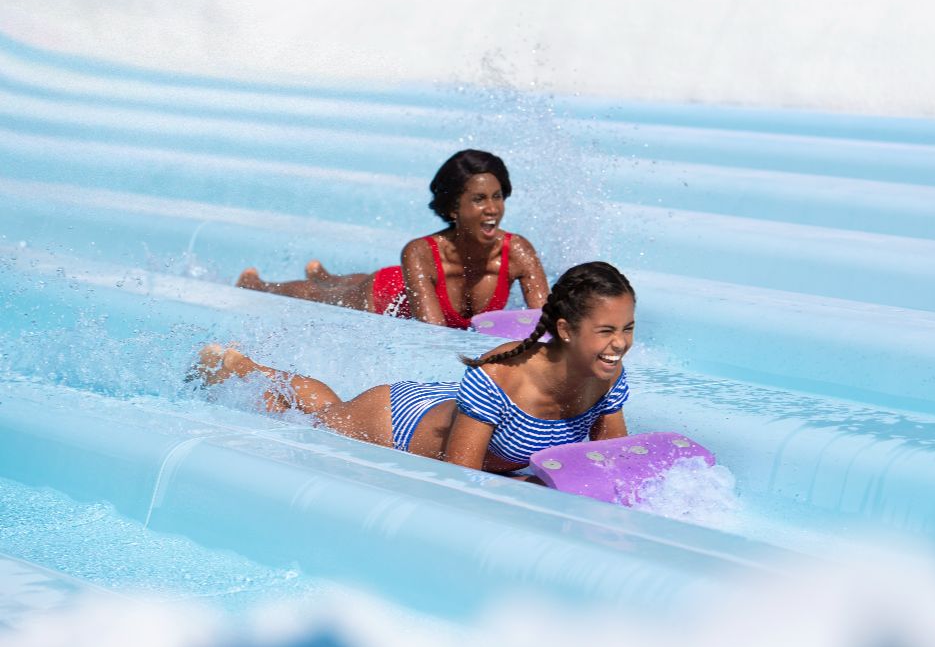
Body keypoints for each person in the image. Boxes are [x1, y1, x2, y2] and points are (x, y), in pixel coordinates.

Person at [194, 262, 634, 472]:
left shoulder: (606, 375)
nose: (619, 345)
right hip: (395, 423)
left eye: (628, 329)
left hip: (450, 406)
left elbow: (613, 463)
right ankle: (237, 367)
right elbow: (458, 474)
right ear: (565, 330)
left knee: (323, 408)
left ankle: (245, 365)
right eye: (606, 330)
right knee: (306, 418)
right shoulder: (500, 375)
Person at [235, 149, 549, 329]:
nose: (493, 209)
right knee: (324, 295)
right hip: (384, 297)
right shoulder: (420, 253)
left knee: (341, 281)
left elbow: (546, 325)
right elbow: (433, 337)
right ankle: (260, 285)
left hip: (415, 284)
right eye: (479, 199)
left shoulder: (517, 252)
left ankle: (325, 274)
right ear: (454, 207)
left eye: (498, 197)